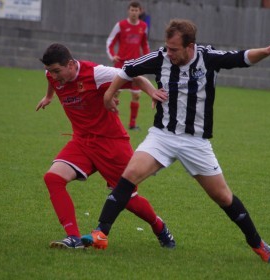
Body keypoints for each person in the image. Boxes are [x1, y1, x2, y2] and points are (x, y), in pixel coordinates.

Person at [82, 19, 270, 264]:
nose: (168, 53)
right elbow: (128, 69)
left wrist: (265, 52)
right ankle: (100, 233)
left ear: (190, 46)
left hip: (196, 142)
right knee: (128, 176)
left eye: (174, 49)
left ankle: (258, 245)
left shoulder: (207, 57)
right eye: (167, 48)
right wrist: (108, 95)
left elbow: (240, 58)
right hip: (162, 136)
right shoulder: (161, 58)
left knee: (223, 197)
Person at [36, 43, 175, 249]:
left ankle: (159, 226)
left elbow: (134, 76)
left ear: (72, 64)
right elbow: (52, 82)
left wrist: (152, 92)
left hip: (111, 143)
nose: (54, 76)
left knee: (128, 198)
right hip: (82, 141)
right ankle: (73, 238)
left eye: (57, 71)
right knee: (53, 178)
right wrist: (49, 97)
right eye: (50, 72)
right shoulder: (53, 76)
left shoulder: (96, 73)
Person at [106, 1, 150, 130]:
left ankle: (132, 124)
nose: (134, 12)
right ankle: (113, 124)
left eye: (136, 10)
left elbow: (145, 45)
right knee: (115, 94)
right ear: (128, 11)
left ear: (140, 11)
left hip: (136, 65)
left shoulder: (143, 26)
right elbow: (110, 41)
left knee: (136, 95)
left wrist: (147, 60)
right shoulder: (120, 25)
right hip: (121, 65)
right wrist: (112, 55)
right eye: (132, 10)